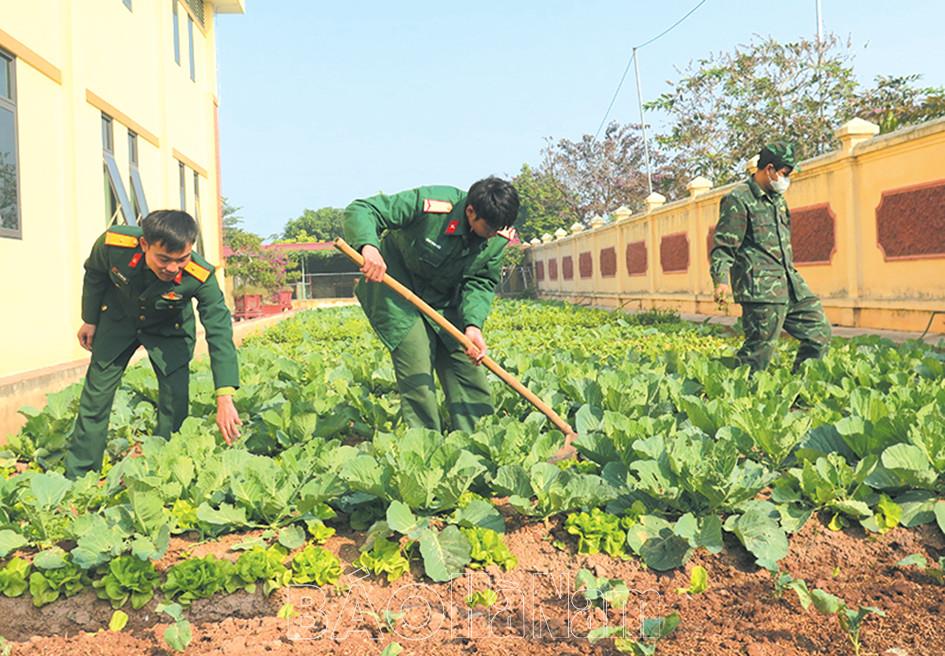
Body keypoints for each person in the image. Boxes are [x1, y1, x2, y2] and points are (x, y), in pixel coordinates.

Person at [64, 210, 242, 478]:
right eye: (164, 259)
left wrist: (224, 396)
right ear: (144, 244)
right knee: (95, 397)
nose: (172, 268)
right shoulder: (114, 244)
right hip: (118, 319)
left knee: (175, 401)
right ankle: (79, 475)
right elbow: (95, 273)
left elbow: (219, 331)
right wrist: (89, 319)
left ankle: (166, 472)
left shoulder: (200, 275)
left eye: (181, 259)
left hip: (170, 329)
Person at [343, 176, 519, 433]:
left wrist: (472, 325)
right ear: (470, 211)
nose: (493, 235)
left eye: (498, 229)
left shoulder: (496, 237)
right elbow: (362, 209)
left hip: (446, 301)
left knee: (468, 371)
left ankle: (480, 445)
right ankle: (426, 448)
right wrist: (369, 247)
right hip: (398, 293)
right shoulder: (433, 204)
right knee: (418, 377)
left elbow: (480, 282)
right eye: (489, 228)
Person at [710, 141, 831, 373]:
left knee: (819, 331)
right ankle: (737, 399)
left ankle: (801, 390)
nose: (787, 179)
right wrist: (721, 280)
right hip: (760, 289)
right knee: (759, 351)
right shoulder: (739, 199)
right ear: (769, 169)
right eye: (784, 173)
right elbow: (724, 246)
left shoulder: (778, 199)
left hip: (791, 284)